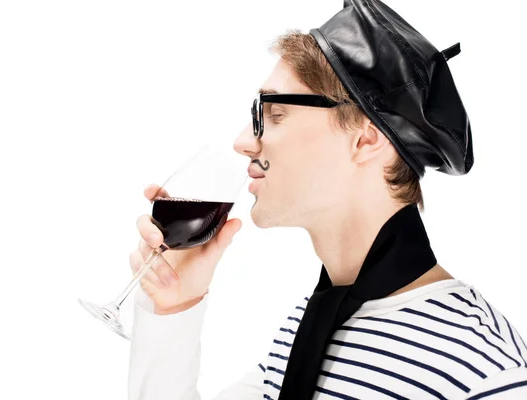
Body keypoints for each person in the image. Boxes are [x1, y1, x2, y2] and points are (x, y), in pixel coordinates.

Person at [127, 1, 527, 398]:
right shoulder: (304, 333)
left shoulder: (483, 370)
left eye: (276, 114)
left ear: (365, 139)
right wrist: (174, 306)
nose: (244, 141)